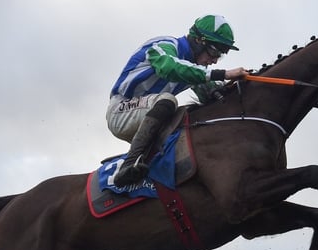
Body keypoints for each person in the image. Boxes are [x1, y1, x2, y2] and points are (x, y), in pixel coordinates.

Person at [107, 15, 249, 187]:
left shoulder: (194, 69)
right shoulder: (165, 44)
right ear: (198, 41)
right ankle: (128, 165)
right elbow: (170, 67)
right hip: (120, 111)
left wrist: (241, 84)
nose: (214, 60)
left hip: (146, 115)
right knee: (168, 101)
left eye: (220, 55)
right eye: (214, 52)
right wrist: (223, 73)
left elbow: (213, 94)